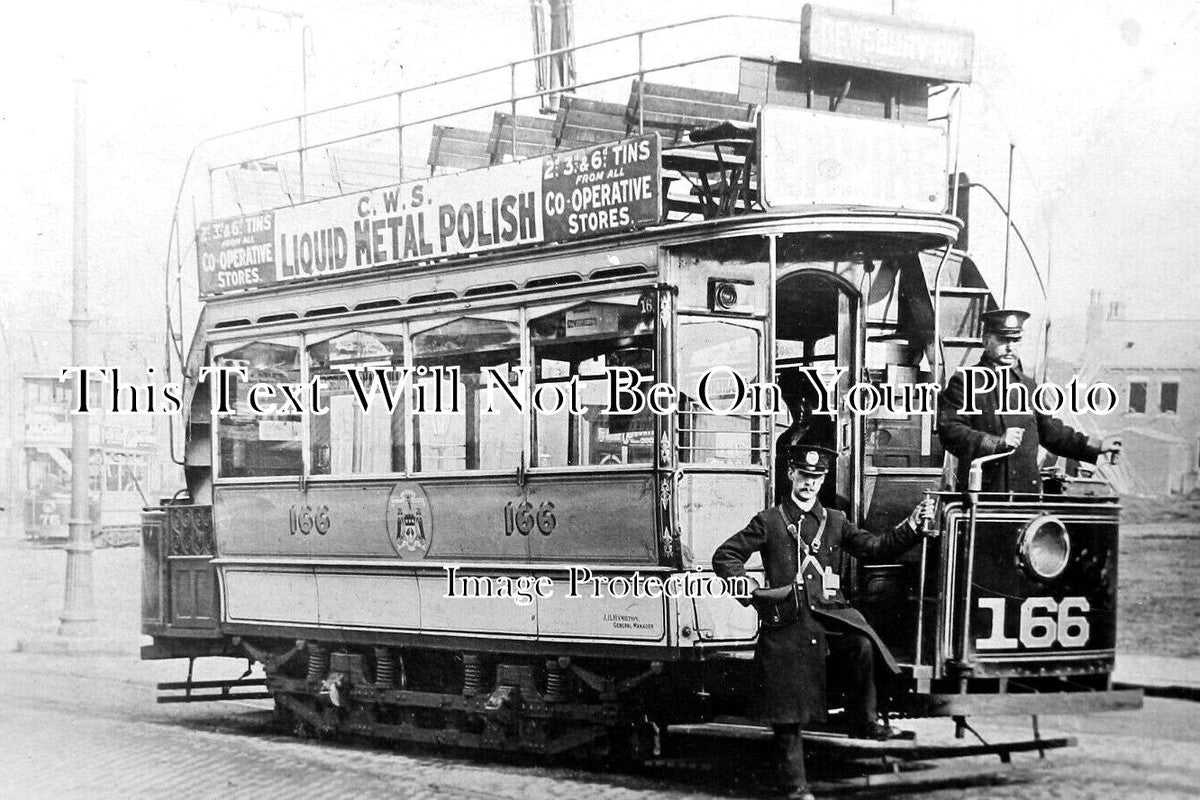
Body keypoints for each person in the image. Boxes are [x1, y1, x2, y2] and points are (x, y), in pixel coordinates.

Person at [712, 445, 933, 800]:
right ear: (790, 475)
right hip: (788, 624)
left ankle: (864, 722)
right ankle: (795, 788)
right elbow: (725, 555)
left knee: (861, 644)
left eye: (816, 478)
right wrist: (754, 594)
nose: (809, 484)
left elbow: (875, 548)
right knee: (789, 713)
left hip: (828, 617)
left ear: (823, 479)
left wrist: (910, 527)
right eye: (803, 476)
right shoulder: (768, 521)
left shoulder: (834, 520)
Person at [938, 309, 1121, 493]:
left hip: (1026, 494)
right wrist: (996, 443)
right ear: (986, 341)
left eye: (1015, 340)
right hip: (984, 496)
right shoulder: (966, 381)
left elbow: (1050, 432)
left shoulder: (1028, 385)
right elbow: (950, 431)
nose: (1010, 347)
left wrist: (1096, 446)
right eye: (1003, 340)